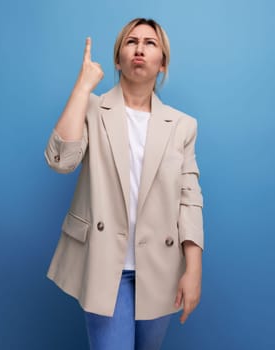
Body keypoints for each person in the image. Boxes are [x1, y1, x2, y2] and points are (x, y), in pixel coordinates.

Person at [44, 18, 205, 350]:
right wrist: (81, 87)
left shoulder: (182, 125)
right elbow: (61, 161)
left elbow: (189, 198)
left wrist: (194, 269)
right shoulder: (91, 107)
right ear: (118, 59)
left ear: (162, 64)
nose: (140, 48)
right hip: (105, 265)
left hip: (160, 267)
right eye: (131, 42)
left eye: (150, 43)